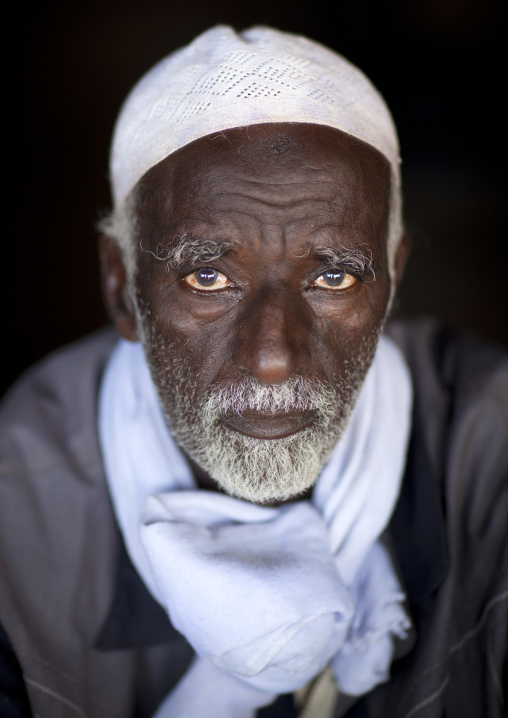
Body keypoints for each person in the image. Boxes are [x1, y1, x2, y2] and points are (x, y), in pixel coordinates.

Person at [0, 24, 506, 718]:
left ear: (393, 280)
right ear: (121, 289)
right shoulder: (15, 515)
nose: (273, 356)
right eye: (208, 276)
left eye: (333, 277)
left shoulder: (492, 452)